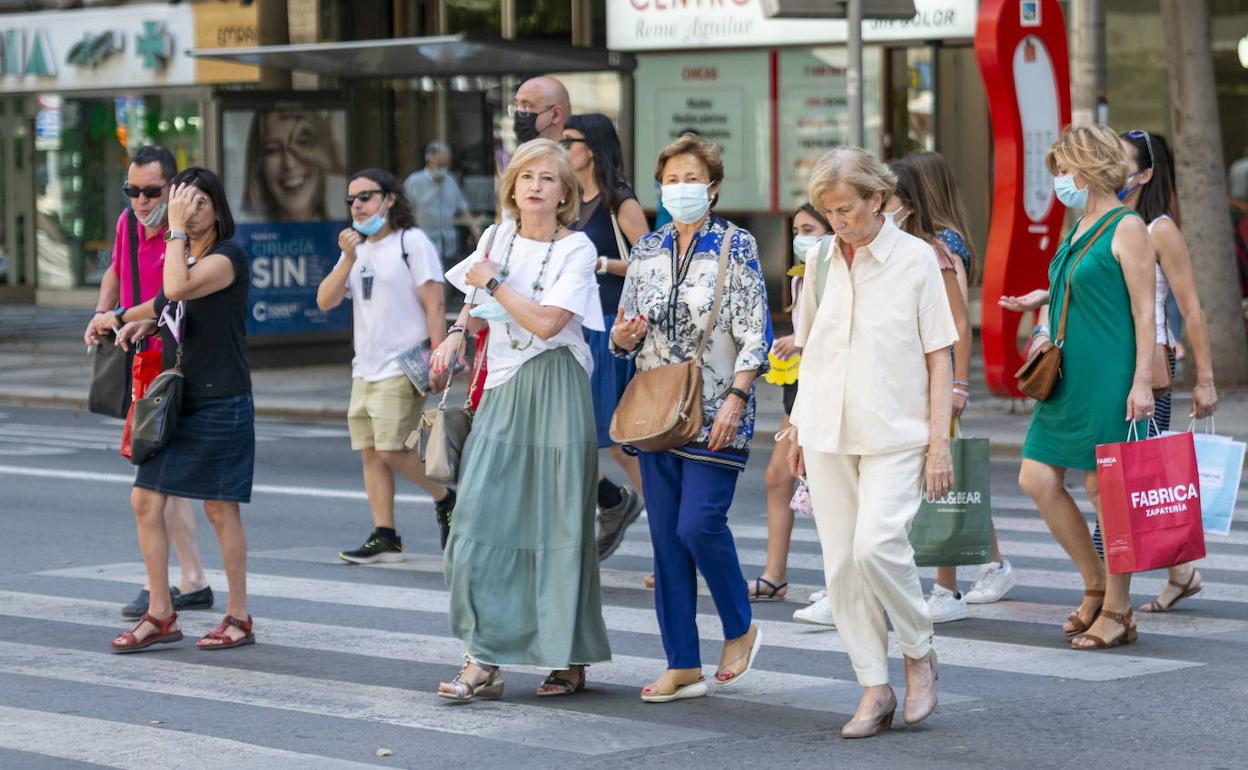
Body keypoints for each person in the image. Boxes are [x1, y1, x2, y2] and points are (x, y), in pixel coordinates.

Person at [430, 138, 610, 701]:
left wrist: (492, 283)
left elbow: (550, 322)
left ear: (564, 195)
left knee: (557, 525)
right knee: (476, 523)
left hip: (555, 384)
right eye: (525, 175)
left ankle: (566, 654)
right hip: (502, 387)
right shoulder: (495, 237)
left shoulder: (577, 249)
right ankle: (483, 655)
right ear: (512, 186)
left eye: (548, 178)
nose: (534, 185)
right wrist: (457, 335)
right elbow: (472, 304)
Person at [787, 146, 956, 738]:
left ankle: (918, 650)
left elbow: (940, 357)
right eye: (829, 211)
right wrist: (798, 428)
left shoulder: (918, 260)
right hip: (828, 430)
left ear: (879, 199)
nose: (839, 222)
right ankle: (872, 687)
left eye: (848, 210)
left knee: (877, 547)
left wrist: (940, 444)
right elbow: (813, 348)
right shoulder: (821, 260)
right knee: (842, 569)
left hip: (896, 431)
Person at [612, 133, 769, 703]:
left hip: (718, 410)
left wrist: (738, 398)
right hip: (657, 412)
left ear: (714, 186)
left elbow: (756, 332)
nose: (680, 188)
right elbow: (624, 335)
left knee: (697, 525)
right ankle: (681, 663)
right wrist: (623, 337)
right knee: (665, 542)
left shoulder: (736, 245)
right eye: (671, 180)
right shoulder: (648, 250)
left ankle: (740, 625)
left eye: (691, 179)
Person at [1001, 124, 1156, 650]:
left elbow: (1142, 308)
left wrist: (1141, 384)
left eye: (1064, 170)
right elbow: (1082, 282)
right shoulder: (1080, 223)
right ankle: (1094, 585)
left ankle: (1116, 607)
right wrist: (1040, 301)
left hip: (1109, 370)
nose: (1059, 180)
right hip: (1067, 369)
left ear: (1088, 168)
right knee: (1036, 478)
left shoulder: (1128, 225)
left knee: (1102, 490)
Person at [104, 167, 259, 652]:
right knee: (145, 500)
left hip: (220, 397)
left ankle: (238, 616)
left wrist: (171, 229)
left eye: (198, 203)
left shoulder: (226, 257)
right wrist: (120, 320)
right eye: (181, 202)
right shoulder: (188, 253)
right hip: (174, 399)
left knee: (218, 506)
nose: (188, 212)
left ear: (217, 209)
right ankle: (161, 613)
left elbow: (175, 289)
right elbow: (161, 305)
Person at [84, 146, 213, 620]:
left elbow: (178, 295)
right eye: (132, 190)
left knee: (156, 472)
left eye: (151, 191)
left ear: (172, 188)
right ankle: (192, 576)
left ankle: (167, 582)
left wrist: (120, 315)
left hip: (178, 358)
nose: (140, 200)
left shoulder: (190, 230)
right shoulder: (127, 224)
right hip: (141, 357)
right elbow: (118, 269)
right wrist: (103, 313)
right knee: (164, 472)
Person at [886, 154, 1006, 623]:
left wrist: (958, 383)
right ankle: (994, 562)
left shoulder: (939, 247)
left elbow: (958, 322)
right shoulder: (917, 243)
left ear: (913, 199)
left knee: (943, 479)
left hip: (936, 379)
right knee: (955, 478)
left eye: (889, 197)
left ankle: (946, 587)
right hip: (916, 375)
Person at [315, 168, 457, 561]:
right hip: (365, 366)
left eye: (365, 197)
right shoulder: (356, 251)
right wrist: (346, 257)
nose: (357, 206)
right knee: (370, 452)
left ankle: (447, 498)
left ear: (390, 199)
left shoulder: (411, 242)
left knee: (393, 449)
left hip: (403, 363)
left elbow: (435, 303)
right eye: (352, 200)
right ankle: (385, 535)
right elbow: (325, 301)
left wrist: (439, 355)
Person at [1106, 130, 1218, 612]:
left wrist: (1206, 380)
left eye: (1119, 163)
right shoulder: (1115, 222)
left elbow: (1191, 309)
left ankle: (1106, 597)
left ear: (1145, 173)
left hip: (1149, 370)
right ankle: (1181, 572)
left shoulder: (1158, 229)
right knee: (1133, 477)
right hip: (1113, 365)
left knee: (1126, 480)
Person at [561, 113, 651, 560]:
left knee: (617, 437)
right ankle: (615, 505)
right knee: (585, 434)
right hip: (582, 323)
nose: (562, 148)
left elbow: (651, 261)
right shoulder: (573, 200)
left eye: (568, 141)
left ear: (591, 148)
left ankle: (667, 537)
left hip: (618, 324)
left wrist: (602, 264)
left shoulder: (620, 201)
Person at [750, 203, 832, 605]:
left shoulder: (839, 274)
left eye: (810, 228)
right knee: (777, 477)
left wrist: (800, 342)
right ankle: (775, 574)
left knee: (825, 486)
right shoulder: (800, 279)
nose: (801, 238)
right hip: (798, 386)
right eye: (797, 230)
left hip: (826, 387)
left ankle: (841, 581)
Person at [241, 110, 344, 222]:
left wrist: (341, 165)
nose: (289, 164)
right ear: (258, 163)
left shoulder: (345, 232)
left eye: (302, 143)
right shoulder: (245, 233)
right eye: (273, 150)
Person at [404, 141, 481, 265]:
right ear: (428, 159)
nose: (442, 169)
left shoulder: (450, 180)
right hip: (423, 243)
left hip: (448, 245)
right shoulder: (414, 181)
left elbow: (462, 208)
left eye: (445, 165)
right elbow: (406, 211)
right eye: (439, 164)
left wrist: (475, 231)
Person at [511, 76, 572, 144]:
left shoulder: (576, 153)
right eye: (516, 105)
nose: (518, 111)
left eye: (527, 106)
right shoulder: (521, 153)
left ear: (555, 115)